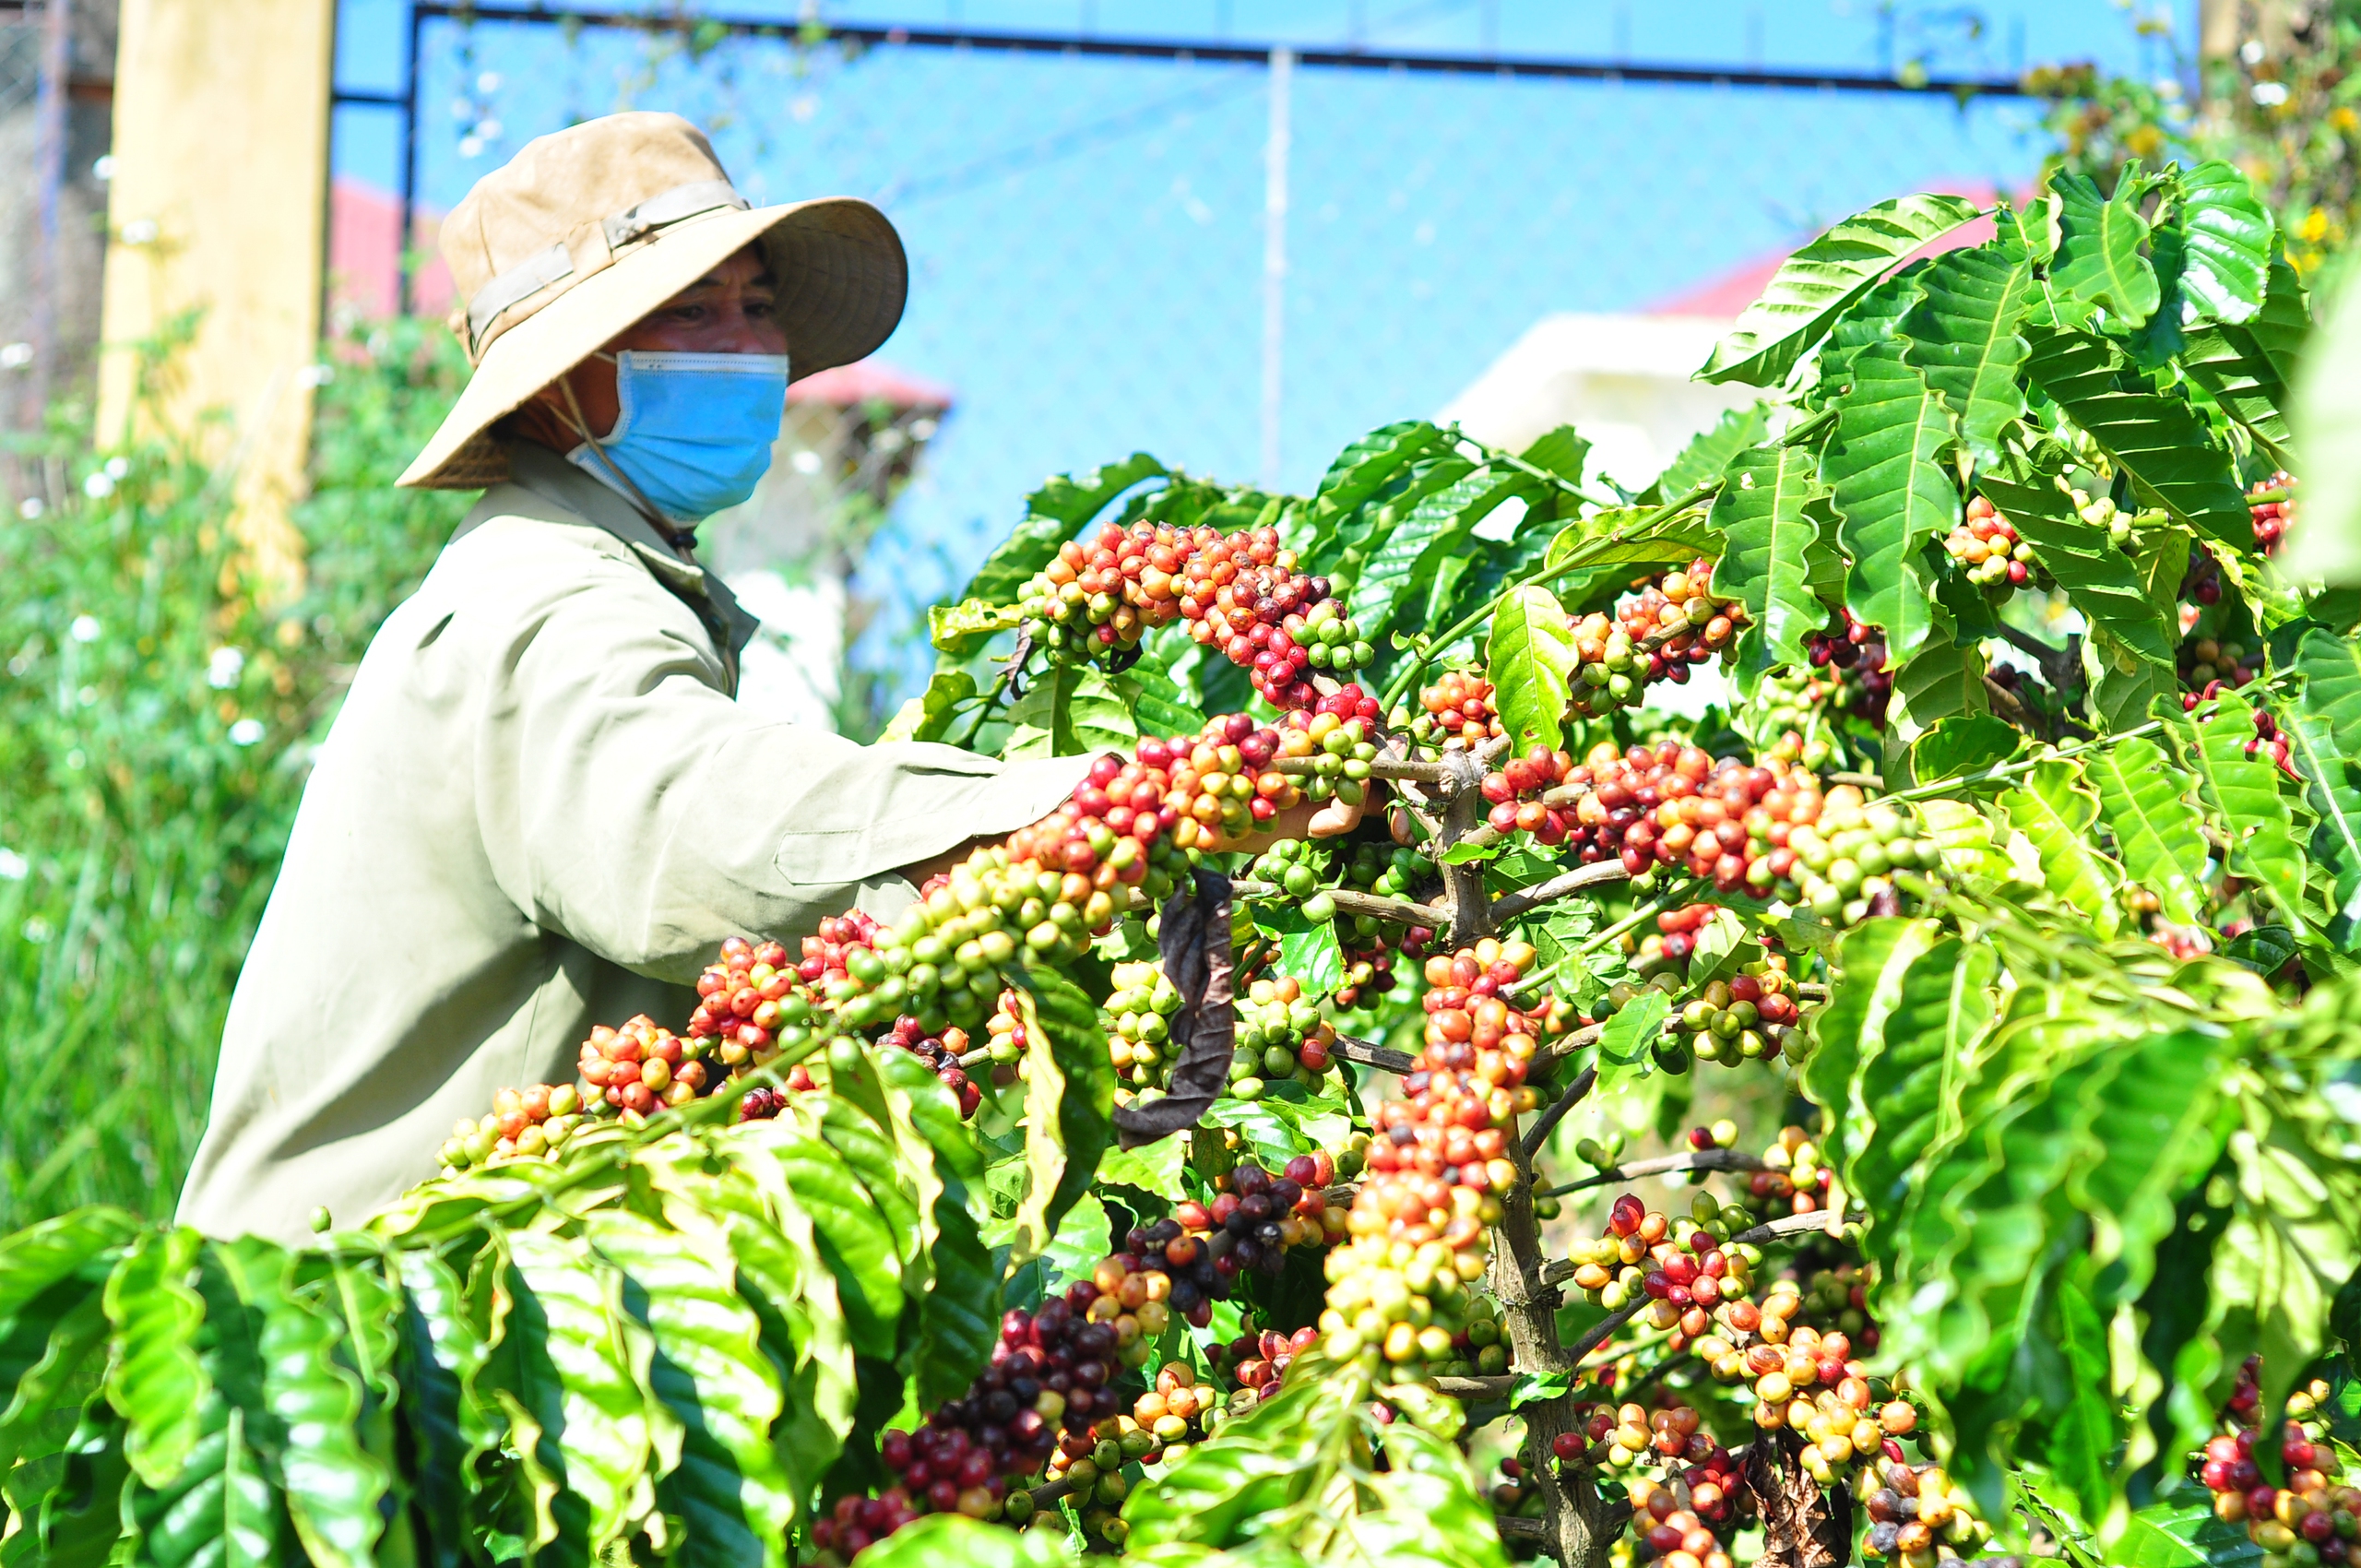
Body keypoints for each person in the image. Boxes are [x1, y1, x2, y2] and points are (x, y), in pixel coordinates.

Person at [175, 113, 1115, 1241]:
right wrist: (1092, 812)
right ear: (561, 380)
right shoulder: (545, 597)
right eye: (688, 313)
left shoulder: (596, 574)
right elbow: (695, 825)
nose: (743, 346)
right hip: (359, 1335)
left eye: (757, 309)